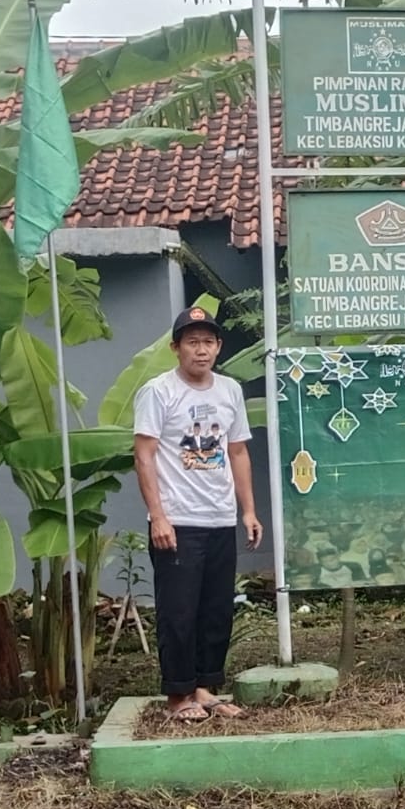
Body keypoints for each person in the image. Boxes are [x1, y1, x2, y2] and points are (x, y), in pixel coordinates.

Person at [134, 306, 263, 723]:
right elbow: (144, 455)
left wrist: (248, 511)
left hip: (220, 518)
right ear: (176, 348)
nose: (201, 350)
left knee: (216, 609)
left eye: (208, 342)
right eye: (192, 342)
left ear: (219, 347)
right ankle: (178, 695)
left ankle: (206, 689)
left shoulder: (229, 390)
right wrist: (158, 516)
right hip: (178, 521)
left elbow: (237, 451)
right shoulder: (159, 391)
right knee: (179, 612)